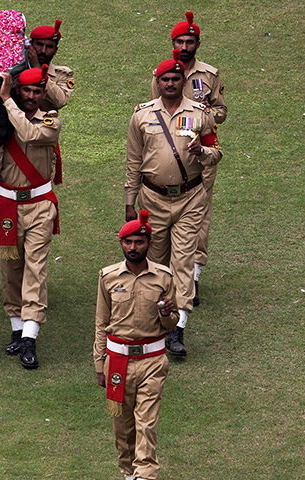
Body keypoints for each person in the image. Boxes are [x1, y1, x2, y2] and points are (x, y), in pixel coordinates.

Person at [125, 49, 222, 356]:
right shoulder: (141, 115)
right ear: (158, 82)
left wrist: (202, 153)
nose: (170, 83)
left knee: (183, 262)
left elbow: (216, 151)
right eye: (165, 79)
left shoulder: (201, 114)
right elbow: (133, 162)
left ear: (183, 81)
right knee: (155, 263)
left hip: (190, 198)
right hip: (152, 199)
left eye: (175, 79)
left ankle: (177, 330)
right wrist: (130, 200)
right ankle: (156, 319)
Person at [0, 65, 61, 369]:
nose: (31, 96)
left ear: (43, 94)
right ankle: (17, 328)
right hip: (7, 207)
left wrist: (5, 101)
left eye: (36, 91)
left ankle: (30, 337)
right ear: (20, 91)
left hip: (40, 204)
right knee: (9, 269)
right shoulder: (5, 120)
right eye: (25, 91)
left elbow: (28, 134)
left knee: (35, 269)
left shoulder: (50, 121)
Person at [94, 210, 178, 480]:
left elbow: (172, 323)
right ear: (121, 244)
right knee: (123, 427)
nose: (133, 247)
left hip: (152, 362)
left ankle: (145, 475)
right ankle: (129, 473)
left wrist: (166, 314)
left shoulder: (164, 278)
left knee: (146, 424)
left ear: (149, 244)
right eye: (128, 242)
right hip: (117, 362)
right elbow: (100, 323)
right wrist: (99, 364)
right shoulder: (108, 277)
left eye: (139, 242)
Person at [150, 11, 227, 307]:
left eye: (190, 41)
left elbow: (222, 111)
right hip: (167, 151)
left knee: (200, 211)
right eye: (180, 41)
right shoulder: (163, 72)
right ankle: (167, 274)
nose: (185, 46)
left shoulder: (209, 74)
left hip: (199, 150)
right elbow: (154, 108)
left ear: (197, 43)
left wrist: (206, 111)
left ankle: (192, 273)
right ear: (173, 42)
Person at [26, 20, 75, 112]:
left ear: (55, 50)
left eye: (49, 47)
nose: (43, 51)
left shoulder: (63, 74)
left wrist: (38, 68)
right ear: (30, 44)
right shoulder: (16, 67)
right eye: (39, 44)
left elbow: (60, 102)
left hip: (41, 124)